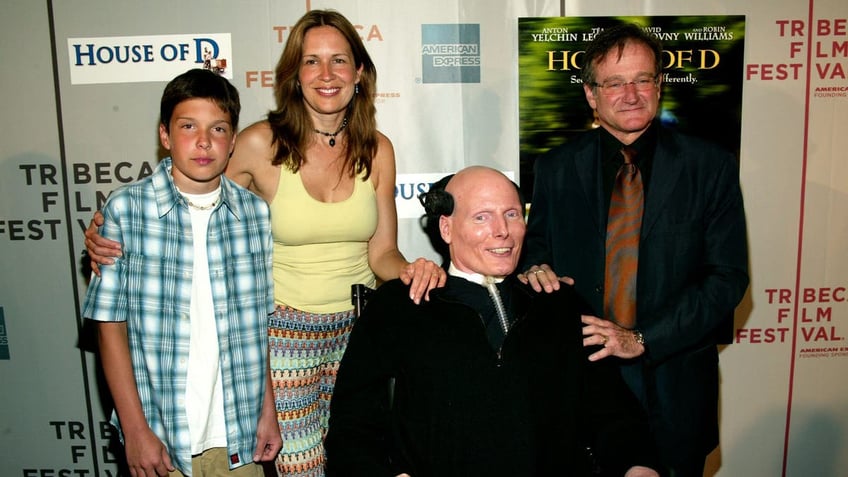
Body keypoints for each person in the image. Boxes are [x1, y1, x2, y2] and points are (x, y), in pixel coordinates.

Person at [84, 9, 446, 477]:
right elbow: (193, 199)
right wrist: (111, 234)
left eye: (339, 60)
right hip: (283, 338)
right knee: (303, 470)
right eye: (311, 61)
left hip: (361, 333)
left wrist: (416, 271)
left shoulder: (377, 148)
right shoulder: (255, 143)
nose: (326, 74)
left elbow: (381, 253)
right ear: (294, 76)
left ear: (359, 73)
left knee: (362, 459)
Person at [324, 166, 660, 477]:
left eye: (511, 214)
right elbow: (353, 425)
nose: (502, 231)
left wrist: (638, 464)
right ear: (446, 228)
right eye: (482, 217)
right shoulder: (400, 306)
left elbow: (613, 411)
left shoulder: (559, 303)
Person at [520, 23, 750, 476]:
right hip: (581, 389)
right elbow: (534, 250)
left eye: (643, 79)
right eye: (614, 83)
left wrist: (643, 339)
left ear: (659, 85)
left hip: (675, 389)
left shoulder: (711, 167)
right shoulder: (556, 168)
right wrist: (534, 268)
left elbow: (727, 279)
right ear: (591, 94)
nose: (631, 94)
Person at [81, 68, 281, 477]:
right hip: (161, 434)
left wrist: (268, 412)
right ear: (165, 136)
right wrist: (136, 430)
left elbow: (256, 324)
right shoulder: (127, 211)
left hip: (237, 434)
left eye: (219, 129)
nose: (204, 141)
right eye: (188, 126)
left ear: (233, 142)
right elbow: (109, 327)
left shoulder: (254, 214)